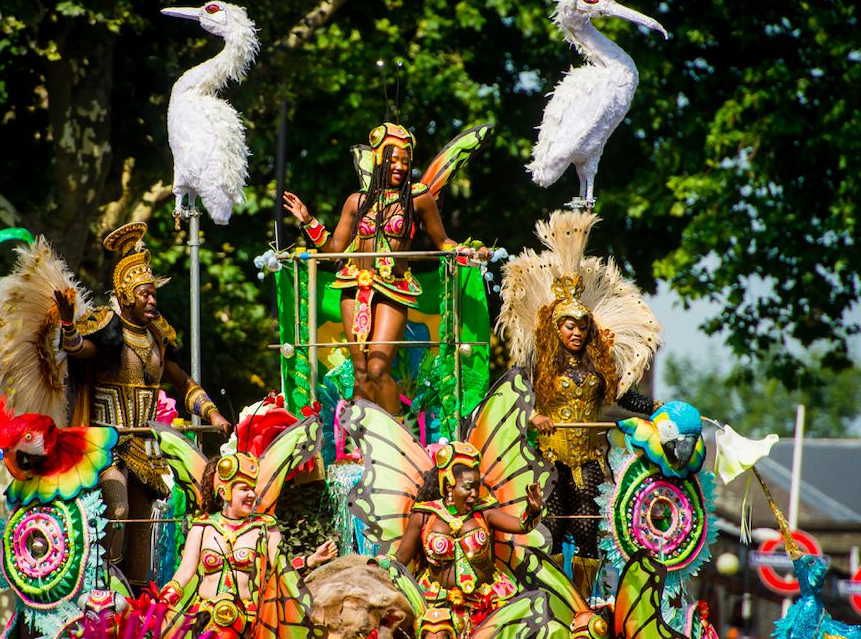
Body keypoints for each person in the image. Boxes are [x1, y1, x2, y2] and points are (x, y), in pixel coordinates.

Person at [51, 221, 231, 585]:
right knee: (117, 510)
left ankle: (134, 603)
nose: (152, 301)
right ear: (126, 296)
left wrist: (213, 414)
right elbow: (78, 350)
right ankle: (99, 589)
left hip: (147, 449)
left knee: (144, 532)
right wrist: (68, 325)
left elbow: (184, 383)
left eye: (153, 294)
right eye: (145, 295)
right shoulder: (108, 327)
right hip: (108, 446)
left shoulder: (158, 337)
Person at [496, 210, 662, 594]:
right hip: (548, 459)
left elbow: (624, 396)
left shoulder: (598, 367)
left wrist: (659, 409)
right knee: (552, 528)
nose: (576, 333)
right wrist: (534, 417)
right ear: (556, 329)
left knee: (587, 529)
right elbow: (514, 402)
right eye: (570, 326)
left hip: (588, 460)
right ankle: (551, 597)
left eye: (582, 327)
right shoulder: (537, 367)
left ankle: (584, 602)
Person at [282, 123, 479, 415]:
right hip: (353, 287)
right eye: (393, 160)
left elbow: (443, 241)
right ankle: (361, 438)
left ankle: (399, 435)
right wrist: (308, 220)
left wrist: (466, 250)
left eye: (405, 161)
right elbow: (334, 249)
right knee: (361, 371)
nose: (400, 167)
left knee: (377, 368)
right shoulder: (357, 201)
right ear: (378, 160)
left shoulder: (418, 198)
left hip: (393, 288)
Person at [162, 453, 331, 638]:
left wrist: (310, 560)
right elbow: (185, 572)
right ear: (224, 493)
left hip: (249, 623)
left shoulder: (265, 527)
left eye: (252, 489)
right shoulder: (202, 527)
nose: (252, 495)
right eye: (244, 489)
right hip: (205, 620)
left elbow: (282, 570)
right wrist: (162, 600)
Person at [390, 442, 543, 639]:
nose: (474, 494)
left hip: (487, 603)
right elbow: (401, 558)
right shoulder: (424, 516)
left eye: (477, 487)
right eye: (468, 487)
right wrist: (379, 565)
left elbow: (521, 525)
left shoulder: (484, 512)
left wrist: (533, 510)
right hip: (437, 606)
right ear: (449, 486)